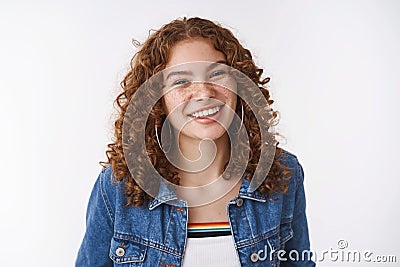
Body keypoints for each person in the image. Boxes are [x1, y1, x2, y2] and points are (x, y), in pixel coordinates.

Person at [76, 17, 315, 267]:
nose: (204, 93)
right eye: (181, 81)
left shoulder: (283, 173)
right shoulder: (117, 185)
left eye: (217, 74)